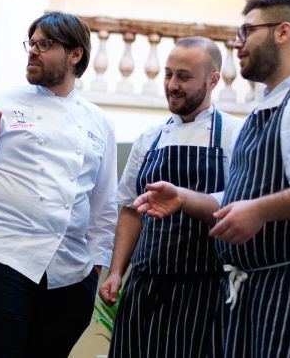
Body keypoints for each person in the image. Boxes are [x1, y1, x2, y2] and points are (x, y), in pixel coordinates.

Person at [134, 0, 290, 357]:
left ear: (283, 32)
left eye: (247, 31)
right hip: (249, 292)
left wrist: (260, 211)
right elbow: (235, 200)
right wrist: (184, 198)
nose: (237, 43)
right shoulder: (258, 114)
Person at [0, 11, 118, 357]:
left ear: (75, 55)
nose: (33, 51)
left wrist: (96, 269)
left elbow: (104, 205)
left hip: (70, 273)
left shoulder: (100, 123)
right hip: (0, 254)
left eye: (45, 44)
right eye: (32, 43)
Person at [99, 37, 242, 358]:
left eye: (184, 77)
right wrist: (118, 271)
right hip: (144, 287)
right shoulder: (149, 139)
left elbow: (238, 208)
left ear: (214, 79)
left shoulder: (236, 136)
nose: (172, 85)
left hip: (203, 292)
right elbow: (131, 211)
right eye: (168, 74)